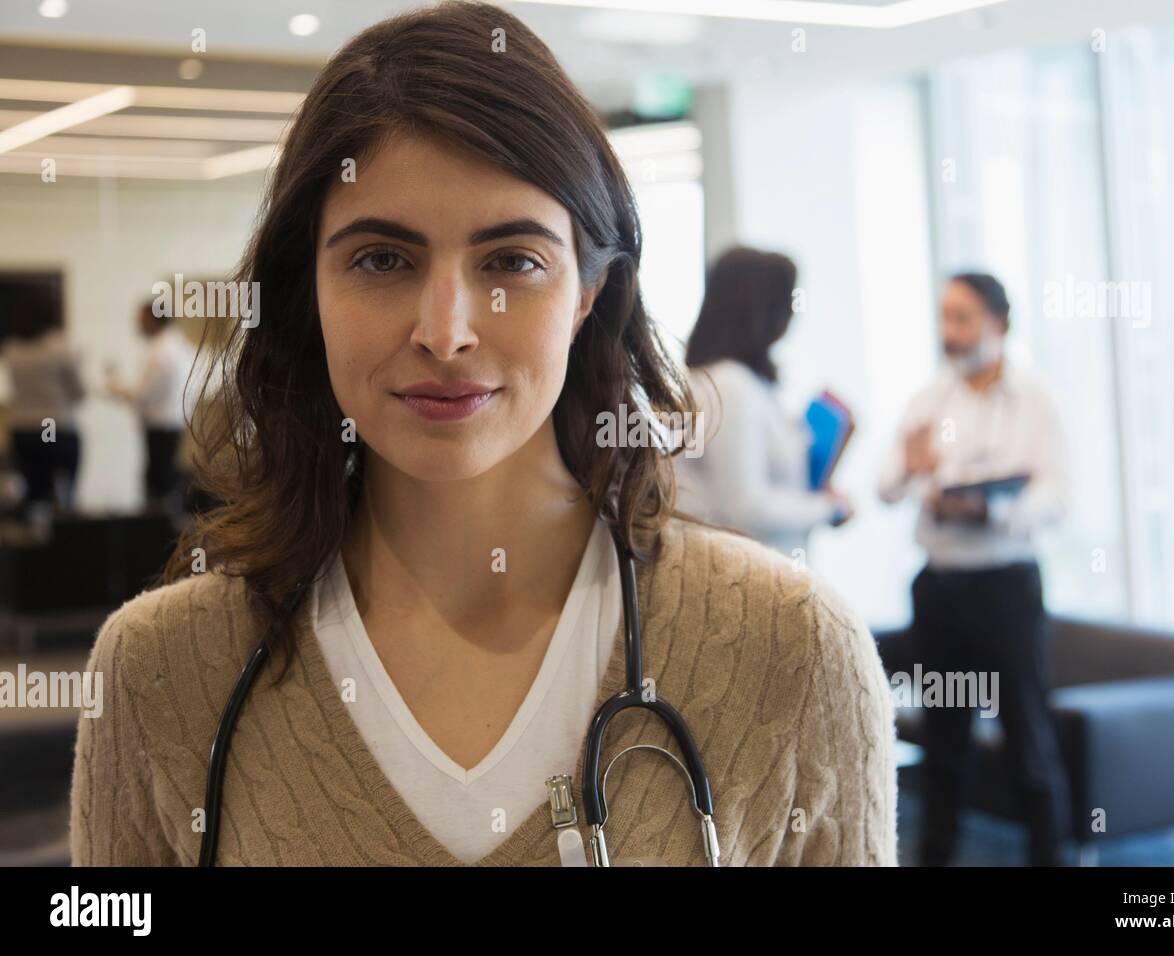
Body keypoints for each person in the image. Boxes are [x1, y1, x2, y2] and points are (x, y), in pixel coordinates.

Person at [69, 2, 897, 867]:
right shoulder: (160, 671)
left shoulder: (792, 650)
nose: (447, 331)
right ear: (305, 290)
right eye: (382, 259)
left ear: (586, 293)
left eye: (511, 261)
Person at [877, 272, 1070, 866]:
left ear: (999, 324)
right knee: (945, 741)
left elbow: (1055, 498)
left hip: (1005, 589)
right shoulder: (931, 399)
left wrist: (993, 508)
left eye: (962, 319)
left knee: (1027, 741)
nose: (950, 333)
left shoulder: (1033, 400)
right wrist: (912, 471)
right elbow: (885, 487)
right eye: (945, 318)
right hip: (941, 591)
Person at [674, 246, 854, 559]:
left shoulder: (741, 382)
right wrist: (829, 508)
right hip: (748, 573)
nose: (794, 312)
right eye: (789, 300)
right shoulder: (730, 386)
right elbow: (745, 507)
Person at [104, 302, 199, 513]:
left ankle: (161, 528)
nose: (138, 325)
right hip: (174, 421)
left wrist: (114, 387)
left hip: (161, 424)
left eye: (142, 320)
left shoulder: (161, 353)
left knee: (160, 480)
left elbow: (143, 395)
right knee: (164, 476)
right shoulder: (181, 346)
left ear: (153, 320)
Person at [1, 284, 84, 518]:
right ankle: (62, 540)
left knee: (35, 494)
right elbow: (78, 392)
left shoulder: (12, 349)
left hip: (24, 430)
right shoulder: (60, 348)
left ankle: (36, 542)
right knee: (63, 493)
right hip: (54, 427)